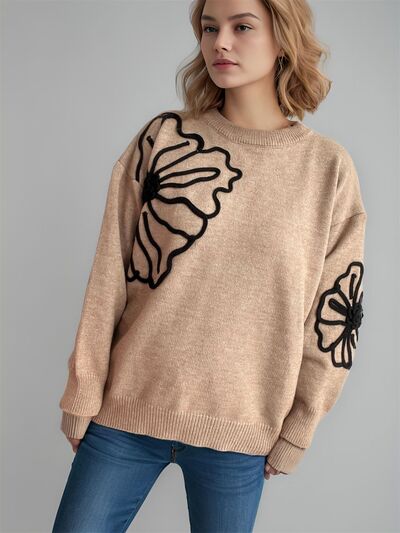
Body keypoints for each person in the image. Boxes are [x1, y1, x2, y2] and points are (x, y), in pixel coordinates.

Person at [52, 0, 367, 531]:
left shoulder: (327, 169)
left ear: (282, 38)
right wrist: (84, 387)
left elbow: (335, 318)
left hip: (240, 429)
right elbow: (109, 273)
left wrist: (299, 428)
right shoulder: (164, 139)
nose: (220, 42)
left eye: (242, 27)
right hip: (127, 410)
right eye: (209, 27)